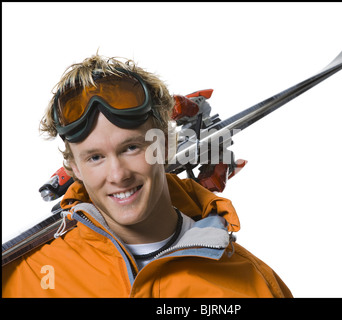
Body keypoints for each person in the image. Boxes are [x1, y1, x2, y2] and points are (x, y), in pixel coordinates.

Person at [2, 54, 292, 298]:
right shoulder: (25, 277)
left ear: (165, 145)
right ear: (74, 168)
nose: (118, 175)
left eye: (131, 148)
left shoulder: (250, 283)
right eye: (95, 157)